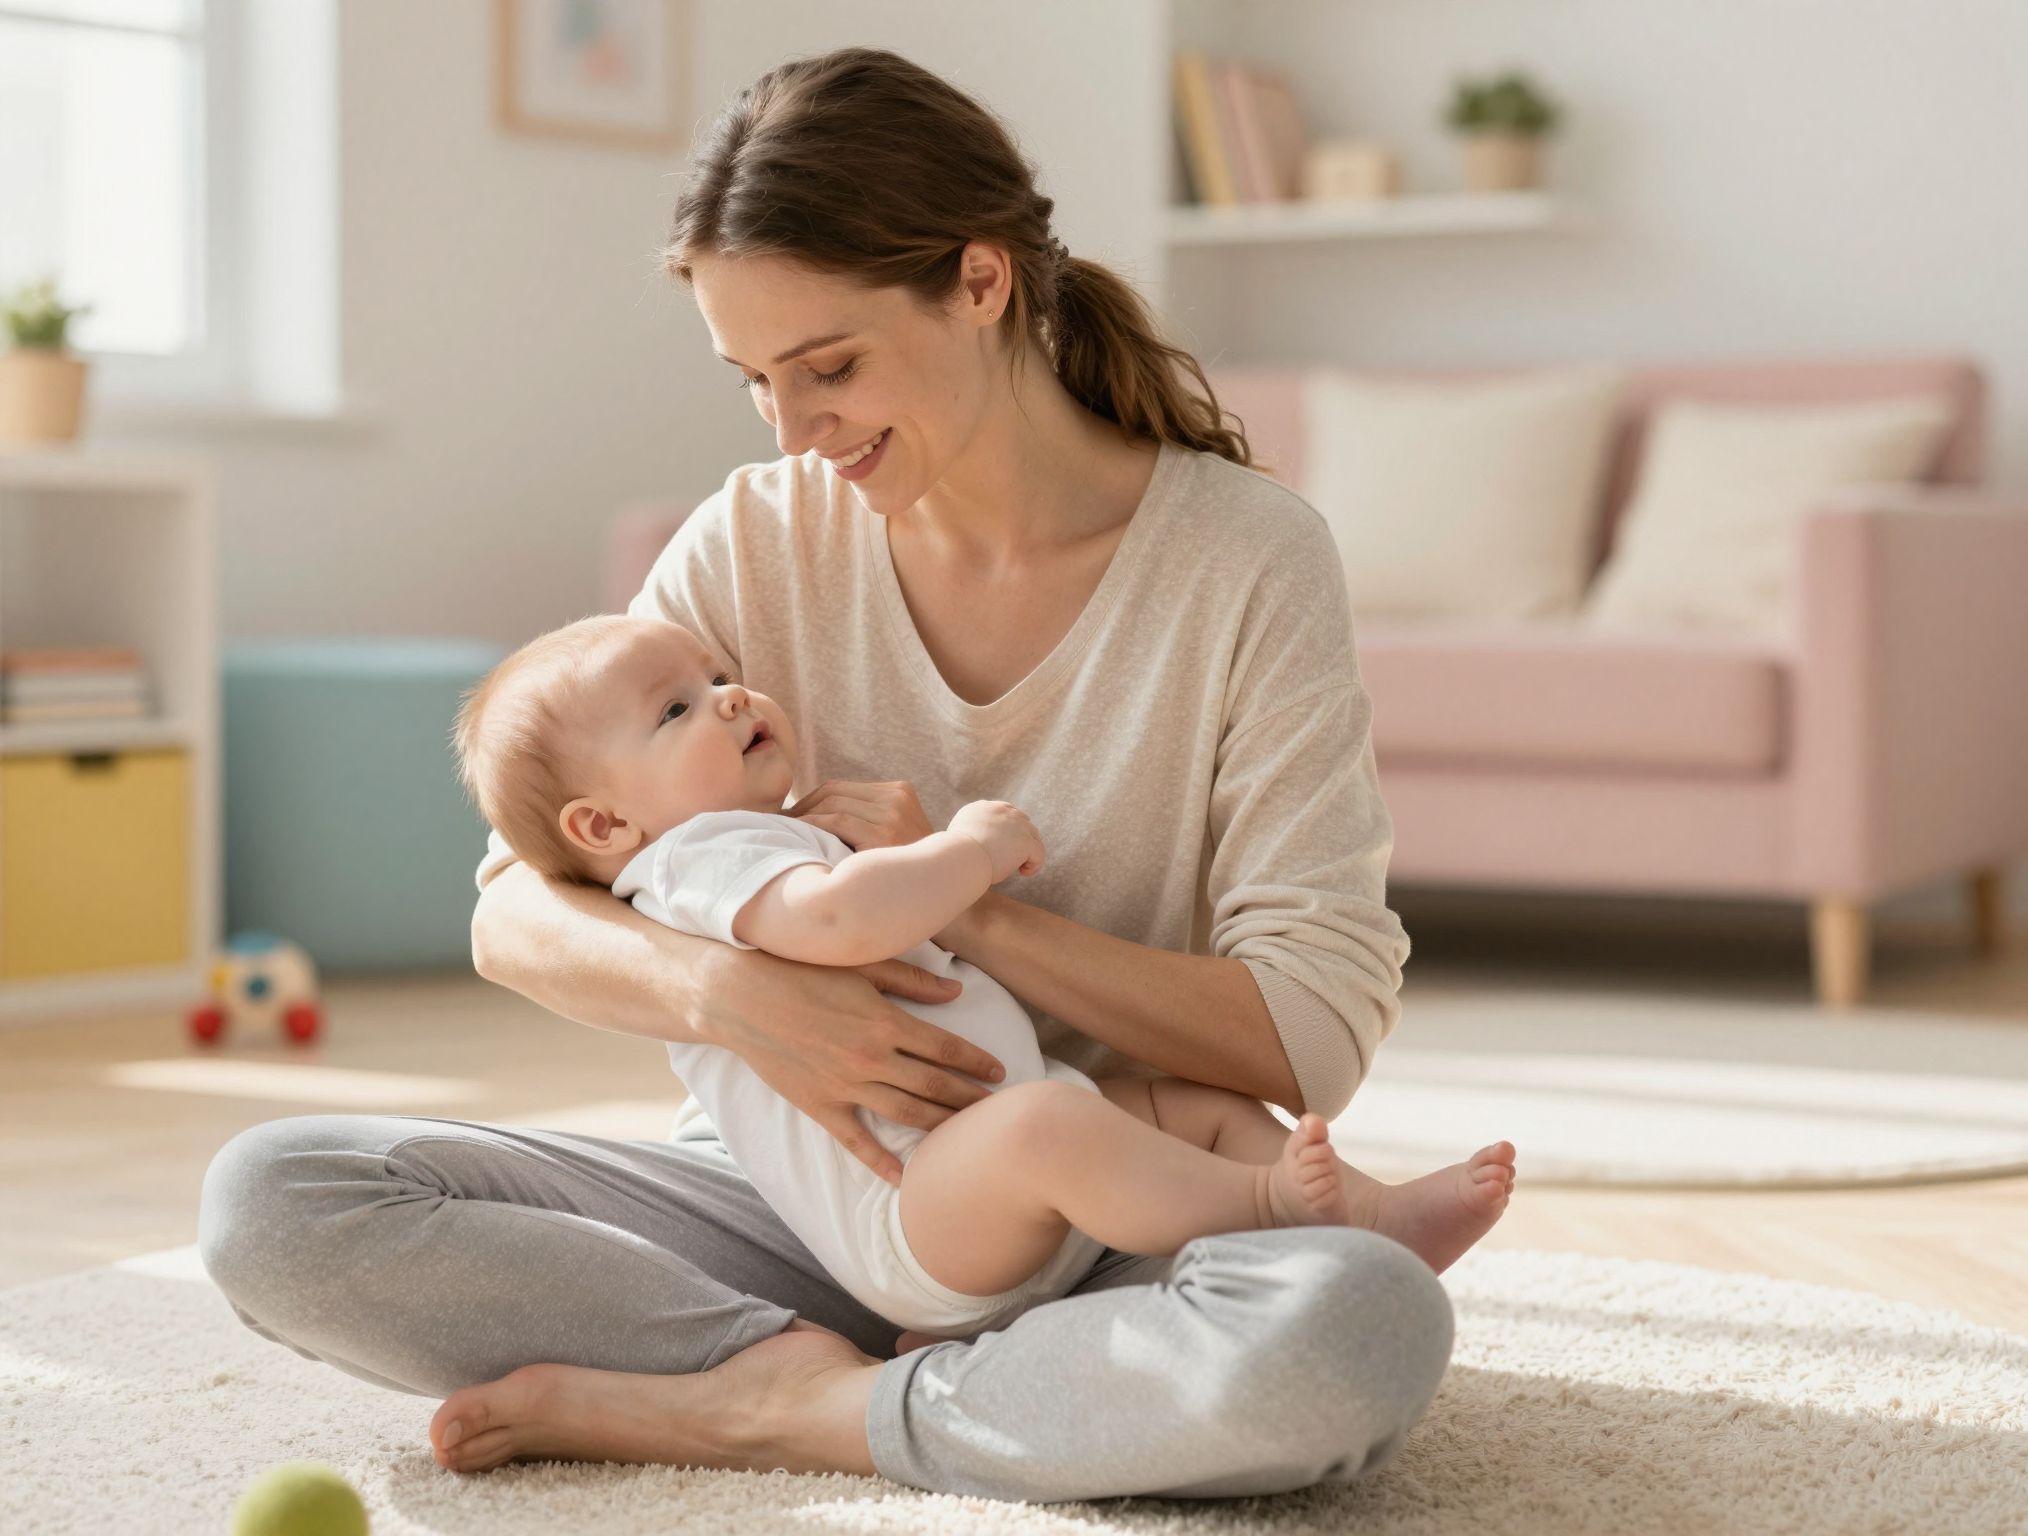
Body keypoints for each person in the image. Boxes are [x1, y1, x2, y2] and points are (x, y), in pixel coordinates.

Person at [198, 46, 1459, 1501]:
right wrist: (736, 997)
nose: (794, 433)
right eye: (754, 381)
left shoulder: (1246, 560)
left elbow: (1309, 1037)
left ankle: (774, 1415)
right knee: (278, 1201)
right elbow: (515, 905)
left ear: (982, 283)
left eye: (830, 367)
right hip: (786, 1209)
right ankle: (864, 1377)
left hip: (1121, 1200)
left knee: (1353, 1328)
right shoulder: (758, 536)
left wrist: (977, 917)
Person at [451, 612, 1517, 1340]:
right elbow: (835, 919)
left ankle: (1373, 1220)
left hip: (992, 1197)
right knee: (1050, 1125)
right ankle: (1268, 1203)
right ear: (602, 825)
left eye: (716, 679)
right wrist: (967, 850)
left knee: (1182, 1103)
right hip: (914, 1223)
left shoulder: (749, 836)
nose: (727, 701)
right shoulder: (692, 861)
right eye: (677, 712)